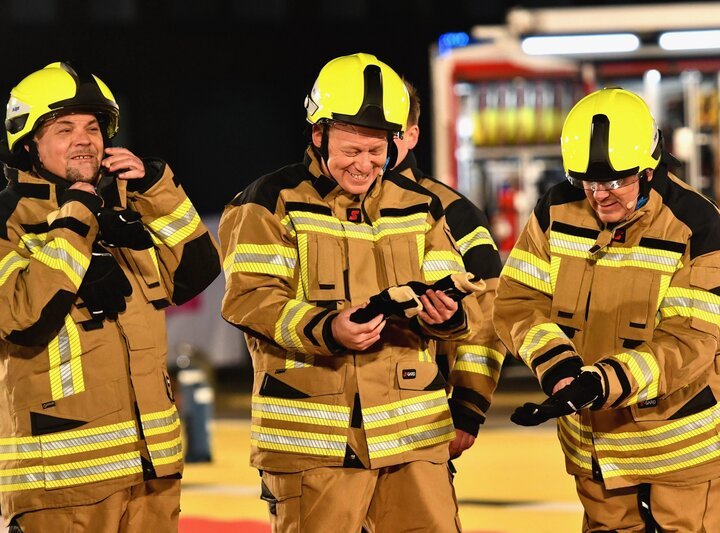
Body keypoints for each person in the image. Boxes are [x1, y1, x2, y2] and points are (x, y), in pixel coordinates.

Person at [219, 53, 481, 533]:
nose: (364, 164)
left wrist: (445, 316)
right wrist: (328, 329)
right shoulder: (270, 202)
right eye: (351, 150)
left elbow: (457, 302)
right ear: (318, 135)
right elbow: (250, 300)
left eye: (376, 150)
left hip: (413, 437)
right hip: (314, 443)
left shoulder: (421, 205)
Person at [493, 87, 720, 532]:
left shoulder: (699, 229)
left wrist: (601, 382)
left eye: (614, 183)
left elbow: (688, 342)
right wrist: (558, 367)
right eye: (587, 183)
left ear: (649, 171)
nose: (599, 196)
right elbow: (519, 301)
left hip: (686, 456)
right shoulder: (555, 211)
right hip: (599, 455)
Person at [0, 62, 222, 532]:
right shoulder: (8, 221)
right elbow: (22, 318)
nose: (84, 140)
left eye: (93, 127)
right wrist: (75, 221)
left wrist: (154, 190)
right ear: (28, 144)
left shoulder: (123, 207)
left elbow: (196, 273)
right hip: (61, 484)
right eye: (64, 129)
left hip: (152, 473)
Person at [393, 80, 504, 459]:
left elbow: (487, 315)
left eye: (390, 132)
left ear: (412, 136)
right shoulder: (326, 205)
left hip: (421, 416)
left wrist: (468, 407)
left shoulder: (456, 212)